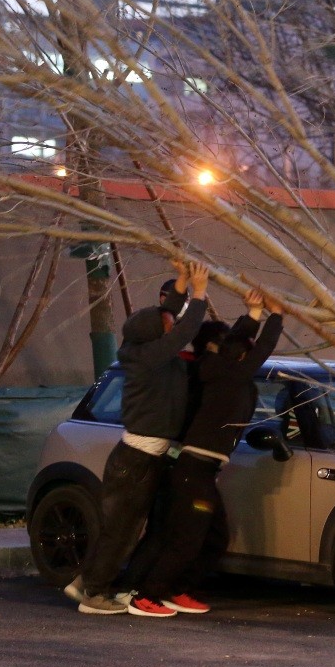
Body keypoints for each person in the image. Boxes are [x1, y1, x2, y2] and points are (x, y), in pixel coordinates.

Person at [127, 289, 284, 617]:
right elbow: (261, 347)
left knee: (214, 537)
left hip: (201, 470)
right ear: (234, 354)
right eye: (245, 351)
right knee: (187, 539)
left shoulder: (218, 367)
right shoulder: (227, 372)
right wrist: (276, 316)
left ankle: (177, 588)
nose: (249, 354)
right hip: (193, 470)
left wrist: (254, 312)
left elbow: (239, 341)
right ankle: (146, 595)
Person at [73, 261, 210, 615]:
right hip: (136, 460)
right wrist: (199, 292)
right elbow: (185, 330)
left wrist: (181, 282)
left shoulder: (149, 352)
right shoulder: (151, 357)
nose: (172, 324)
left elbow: (169, 315)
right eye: (166, 324)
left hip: (142, 456)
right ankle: (94, 592)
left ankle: (86, 582)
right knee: (121, 530)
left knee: (121, 527)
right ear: (154, 334)